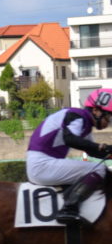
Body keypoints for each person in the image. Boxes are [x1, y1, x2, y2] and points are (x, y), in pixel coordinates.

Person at [26, 88, 112, 224]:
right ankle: (69, 208)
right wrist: (101, 147)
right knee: (99, 170)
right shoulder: (78, 116)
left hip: (43, 163)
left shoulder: (84, 122)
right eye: (108, 116)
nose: (108, 121)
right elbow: (70, 139)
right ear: (96, 110)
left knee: (100, 169)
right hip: (42, 165)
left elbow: (92, 150)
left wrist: (107, 151)